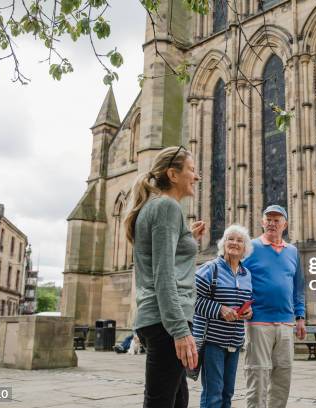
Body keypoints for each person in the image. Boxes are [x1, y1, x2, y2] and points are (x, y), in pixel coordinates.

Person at [124, 145, 206, 408]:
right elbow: (163, 274)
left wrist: (187, 238)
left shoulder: (156, 208)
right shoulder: (166, 208)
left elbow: (161, 258)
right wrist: (180, 330)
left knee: (178, 400)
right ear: (173, 174)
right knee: (160, 402)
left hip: (160, 320)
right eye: (192, 170)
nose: (197, 176)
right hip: (167, 322)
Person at [243, 204, 306, 408]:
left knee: (283, 376)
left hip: (286, 323)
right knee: (258, 374)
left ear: (284, 224)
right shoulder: (250, 247)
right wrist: (244, 305)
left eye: (276, 219)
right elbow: (238, 278)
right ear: (262, 222)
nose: (272, 223)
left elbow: (298, 287)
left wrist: (300, 317)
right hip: (258, 322)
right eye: (268, 219)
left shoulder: (293, 251)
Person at [193, 224, 253, 408]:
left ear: (245, 248)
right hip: (212, 342)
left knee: (228, 393)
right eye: (230, 239)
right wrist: (219, 309)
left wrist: (249, 313)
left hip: (234, 342)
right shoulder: (210, 269)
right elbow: (191, 299)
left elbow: (247, 300)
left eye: (239, 240)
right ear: (223, 243)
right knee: (213, 394)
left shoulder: (246, 274)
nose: (234, 243)